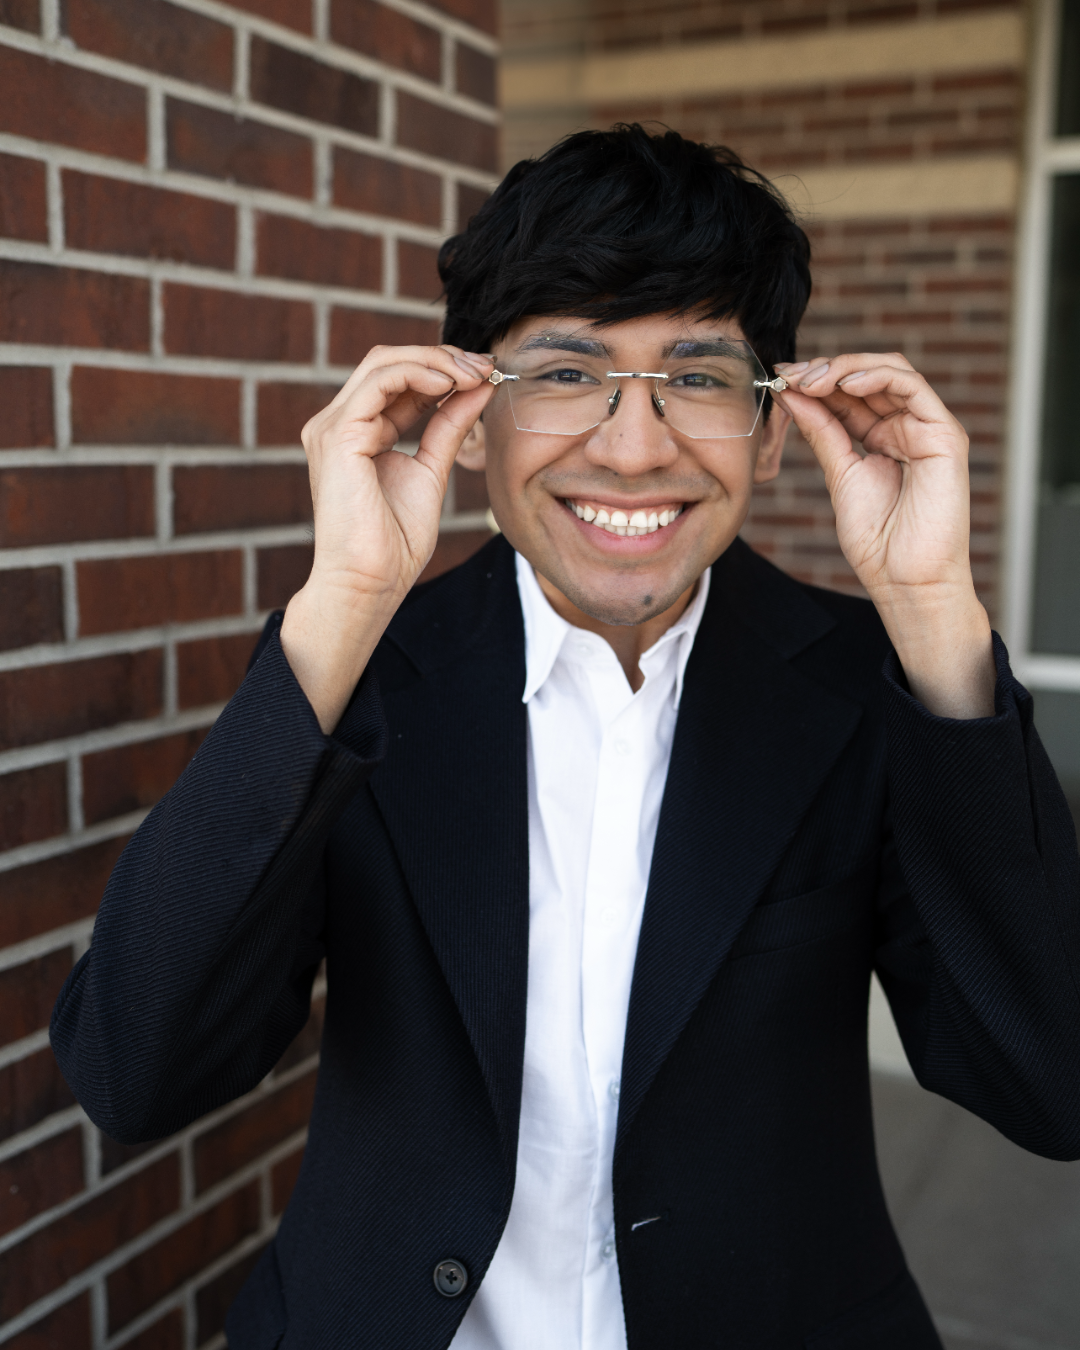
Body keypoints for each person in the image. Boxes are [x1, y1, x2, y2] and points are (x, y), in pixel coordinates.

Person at [52, 126, 1080, 1350]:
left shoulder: (875, 682)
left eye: (697, 376)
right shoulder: (358, 669)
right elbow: (134, 1069)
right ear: (473, 412)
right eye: (565, 372)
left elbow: (1052, 1081)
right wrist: (339, 612)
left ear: (768, 428)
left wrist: (935, 615)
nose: (633, 448)